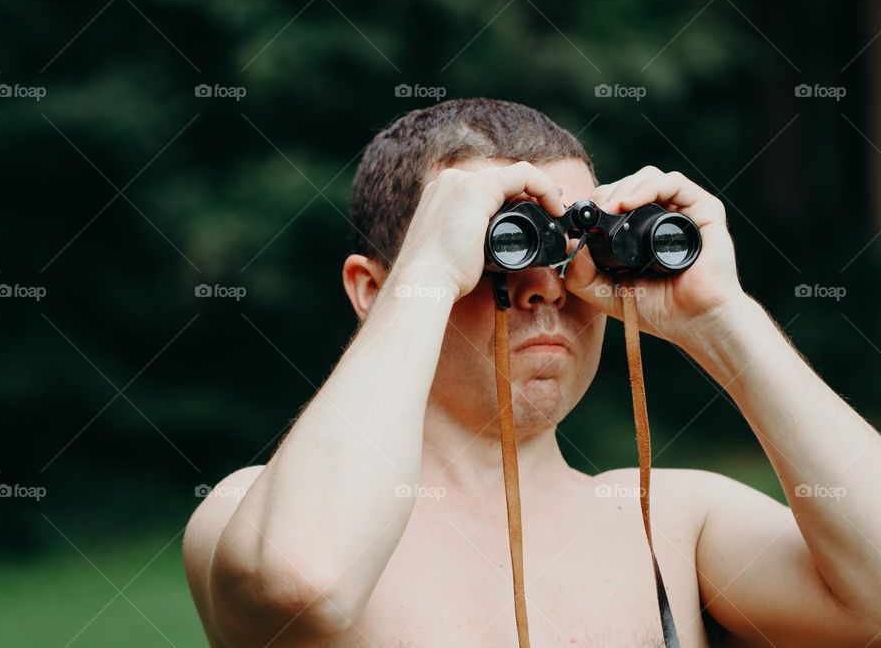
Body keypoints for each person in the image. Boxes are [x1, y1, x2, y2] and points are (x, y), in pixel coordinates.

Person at [183, 98, 881, 647]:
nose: (546, 286)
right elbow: (302, 580)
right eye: (505, 244)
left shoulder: (675, 519)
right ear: (373, 289)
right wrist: (428, 268)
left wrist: (721, 317)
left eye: (572, 249)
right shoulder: (250, 512)